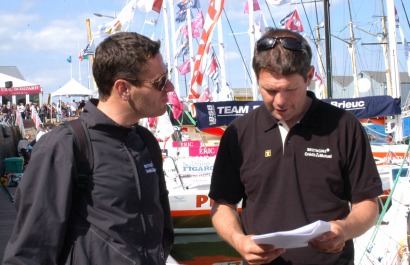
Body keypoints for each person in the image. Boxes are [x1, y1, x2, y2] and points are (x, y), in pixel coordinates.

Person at [209, 28, 383, 265]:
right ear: (257, 77)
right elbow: (222, 204)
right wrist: (239, 241)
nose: (280, 101)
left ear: (309, 76)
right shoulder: (239, 133)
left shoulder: (344, 127)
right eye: (270, 90)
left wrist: (344, 229)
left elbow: (367, 203)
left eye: (290, 90)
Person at [3, 32, 175, 264]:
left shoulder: (145, 141)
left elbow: (160, 220)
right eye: (160, 82)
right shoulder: (65, 145)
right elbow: (31, 251)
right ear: (123, 88)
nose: (170, 87)